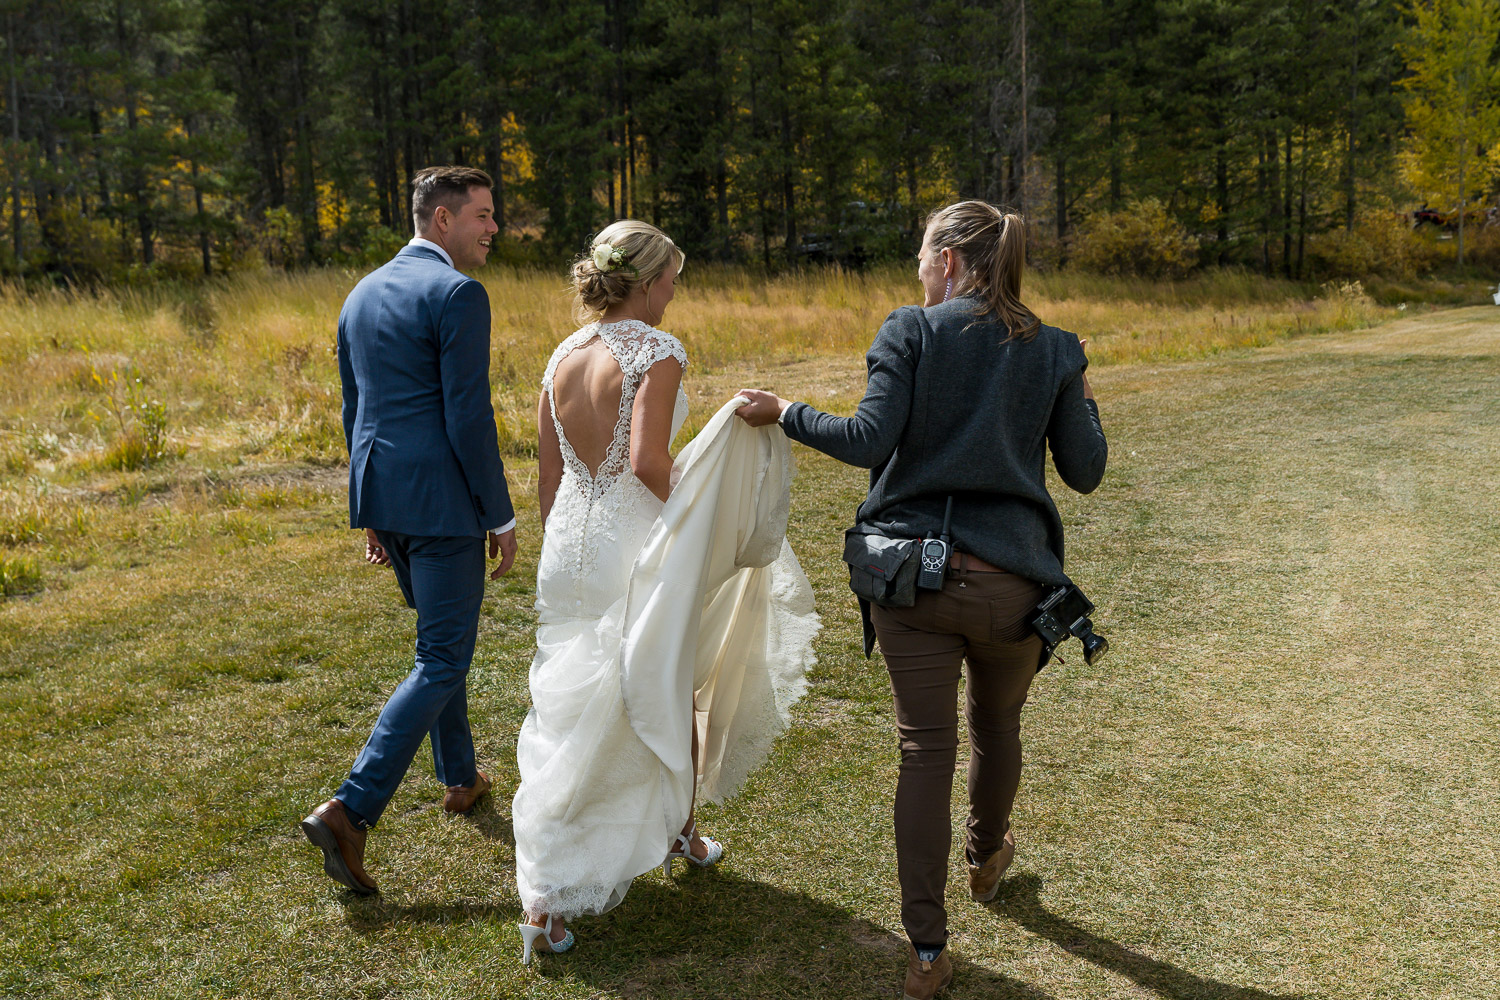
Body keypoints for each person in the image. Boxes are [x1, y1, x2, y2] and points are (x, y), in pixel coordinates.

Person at [736, 200, 1107, 1000]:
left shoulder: (911, 328)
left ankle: (928, 952)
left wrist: (786, 411)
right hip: (1014, 589)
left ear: (946, 259)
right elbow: (1085, 469)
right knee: (997, 727)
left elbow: (867, 440)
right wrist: (1078, 383)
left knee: (923, 754)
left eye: (919, 256)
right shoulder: (1057, 348)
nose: (916, 270)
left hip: (911, 582)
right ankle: (985, 855)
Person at [512, 220, 820, 963]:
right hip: (631, 544)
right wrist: (704, 506)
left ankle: (667, 831)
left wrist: (564, 540)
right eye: (673, 279)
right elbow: (651, 463)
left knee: (573, 700)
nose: (675, 292)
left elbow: (550, 478)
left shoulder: (564, 353)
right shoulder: (659, 351)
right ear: (649, 282)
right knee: (658, 682)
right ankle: (563, 883)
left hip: (570, 544)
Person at [300, 166, 518, 895]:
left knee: (437, 645)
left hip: (387, 496)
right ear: (442, 220)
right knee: (444, 657)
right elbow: (467, 417)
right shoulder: (458, 293)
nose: (493, 228)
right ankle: (351, 809)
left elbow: (353, 409)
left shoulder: (359, 292)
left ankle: (459, 777)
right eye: (483, 215)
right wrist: (500, 513)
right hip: (444, 502)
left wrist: (371, 512)